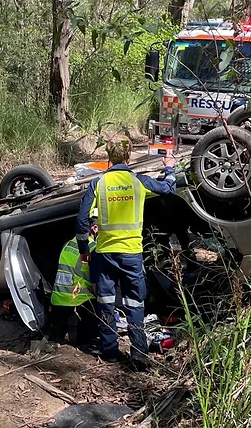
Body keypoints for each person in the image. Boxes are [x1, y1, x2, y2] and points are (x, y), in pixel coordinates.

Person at [75, 139, 176, 370]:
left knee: (106, 302)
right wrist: (169, 166)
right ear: (129, 156)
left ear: (108, 157)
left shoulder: (98, 182)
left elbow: (82, 220)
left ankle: (109, 351)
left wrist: (84, 250)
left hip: (105, 254)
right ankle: (139, 355)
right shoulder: (138, 181)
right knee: (135, 304)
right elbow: (168, 187)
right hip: (131, 254)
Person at [50, 212, 99, 347]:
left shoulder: (69, 243)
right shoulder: (92, 247)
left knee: (58, 325)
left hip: (59, 296)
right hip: (78, 297)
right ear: (94, 228)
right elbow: (94, 279)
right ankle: (83, 341)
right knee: (100, 303)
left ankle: (59, 335)